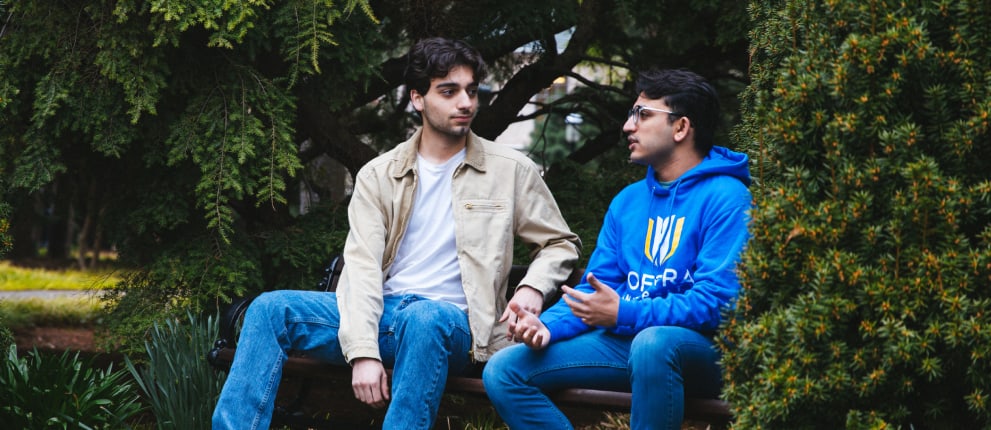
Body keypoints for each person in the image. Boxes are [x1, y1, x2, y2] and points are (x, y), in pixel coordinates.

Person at [212, 37, 581, 430]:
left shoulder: (510, 169)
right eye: (449, 91)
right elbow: (362, 266)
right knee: (270, 310)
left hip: (454, 325)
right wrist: (364, 352)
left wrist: (532, 288)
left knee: (426, 317)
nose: (466, 103)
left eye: (471, 91)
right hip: (385, 316)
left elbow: (560, 243)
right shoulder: (380, 174)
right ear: (418, 98)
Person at [483, 69, 752, 429]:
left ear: (681, 127)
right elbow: (594, 291)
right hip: (629, 342)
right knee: (505, 370)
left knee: (654, 345)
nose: (628, 126)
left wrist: (625, 313)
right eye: (631, 113)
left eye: (643, 114)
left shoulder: (727, 197)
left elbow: (718, 303)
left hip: (699, 350)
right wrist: (545, 326)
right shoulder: (628, 202)